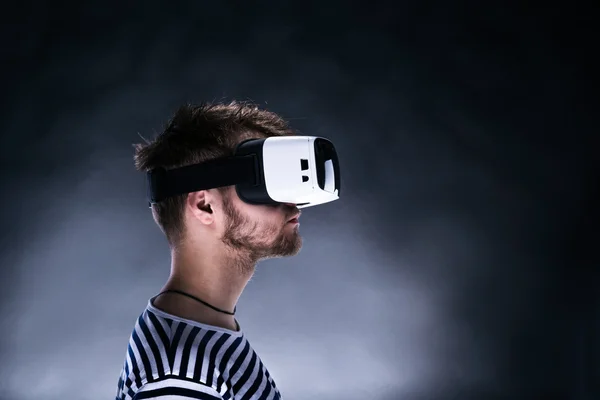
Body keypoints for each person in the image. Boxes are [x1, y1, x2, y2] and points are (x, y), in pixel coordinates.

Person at [115, 101, 304, 400]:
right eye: (266, 183)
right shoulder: (178, 377)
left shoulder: (202, 331)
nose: (293, 204)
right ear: (205, 205)